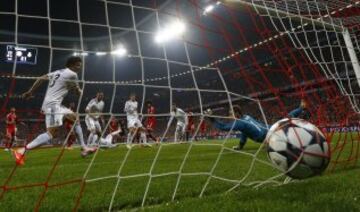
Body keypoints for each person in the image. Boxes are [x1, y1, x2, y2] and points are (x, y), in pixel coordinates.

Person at [15, 56, 96, 165]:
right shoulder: (73, 75)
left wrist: (30, 92)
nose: (80, 68)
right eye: (78, 65)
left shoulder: (57, 72)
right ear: (71, 65)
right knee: (51, 133)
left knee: (75, 118)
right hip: (53, 105)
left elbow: (41, 78)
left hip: (56, 105)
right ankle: (22, 150)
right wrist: (80, 90)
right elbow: (78, 93)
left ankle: (84, 147)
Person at [207, 100, 309, 150]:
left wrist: (212, 119)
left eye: (230, 113)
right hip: (269, 128)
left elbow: (224, 127)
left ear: (236, 114)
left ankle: (302, 116)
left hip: (265, 136)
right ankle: (301, 108)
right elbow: (245, 132)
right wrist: (240, 146)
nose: (229, 115)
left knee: (288, 137)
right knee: (285, 120)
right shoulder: (245, 117)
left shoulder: (239, 123)